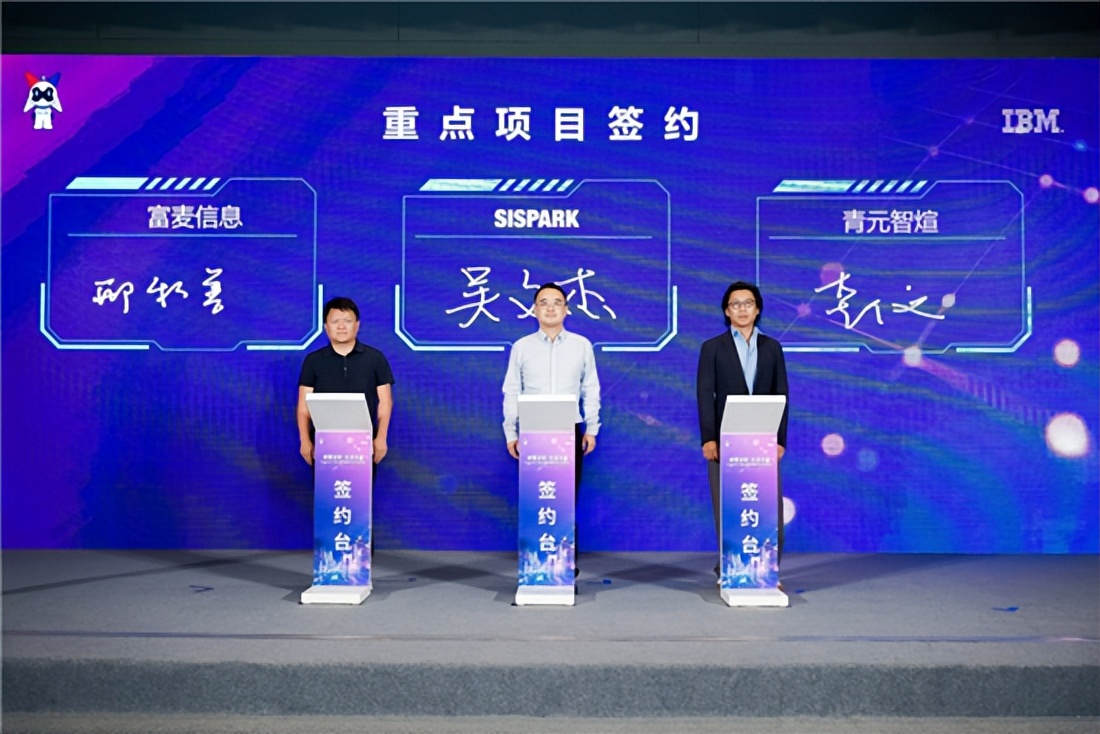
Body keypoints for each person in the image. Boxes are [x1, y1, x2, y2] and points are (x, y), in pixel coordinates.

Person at [696, 281, 789, 568]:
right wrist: (709, 438)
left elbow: (782, 394)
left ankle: (768, 570)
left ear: (757, 308)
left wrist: (780, 440)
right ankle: (729, 568)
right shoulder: (713, 347)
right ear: (727, 311)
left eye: (748, 303)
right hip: (725, 440)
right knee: (728, 506)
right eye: (735, 304)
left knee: (767, 506)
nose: (742, 309)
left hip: (763, 440)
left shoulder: (772, 347)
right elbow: (704, 394)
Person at [502, 283, 601, 546]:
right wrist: (511, 432)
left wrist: (592, 428)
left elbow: (590, 387)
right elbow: (512, 390)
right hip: (533, 430)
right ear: (534, 310)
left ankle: (564, 561)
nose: (550, 308)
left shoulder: (581, 345)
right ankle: (536, 559)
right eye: (543, 303)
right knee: (536, 496)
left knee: (566, 496)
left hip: (569, 428)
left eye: (557, 302)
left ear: (566, 310)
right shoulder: (522, 347)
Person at [298, 296, 394, 468]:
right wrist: (305, 440)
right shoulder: (313, 360)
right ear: (326, 327)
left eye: (347, 321)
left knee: (360, 486)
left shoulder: (375, 358)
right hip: (323, 443)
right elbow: (303, 406)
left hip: (365, 443)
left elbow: (385, 401)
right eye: (335, 321)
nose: (341, 326)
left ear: (357, 325)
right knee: (327, 486)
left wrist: (381, 437)